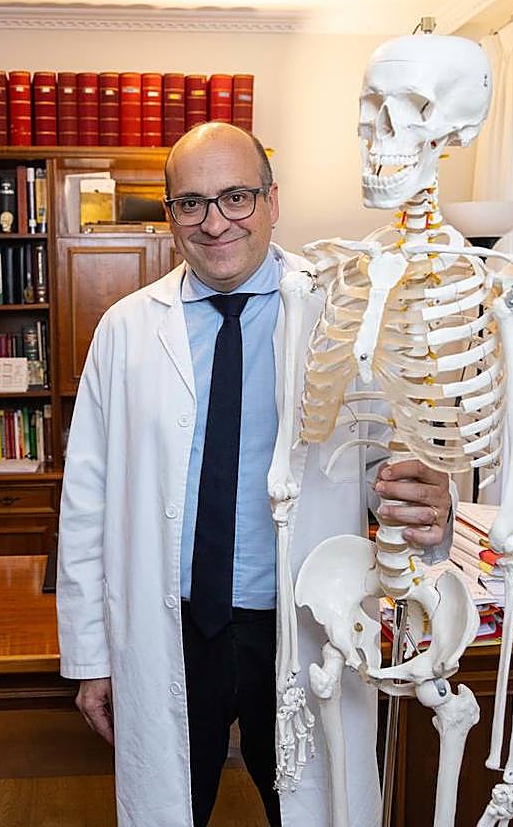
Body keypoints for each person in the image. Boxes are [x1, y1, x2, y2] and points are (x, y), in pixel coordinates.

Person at [56, 122, 454, 827]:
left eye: (235, 197)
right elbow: (86, 503)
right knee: (170, 808)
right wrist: (90, 658)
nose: (215, 223)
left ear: (273, 201)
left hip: (303, 624)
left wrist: (428, 507)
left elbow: (391, 472)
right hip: (174, 624)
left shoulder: (346, 316)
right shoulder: (125, 330)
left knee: (319, 807)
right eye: (191, 203)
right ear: (170, 213)